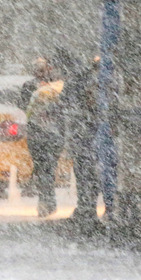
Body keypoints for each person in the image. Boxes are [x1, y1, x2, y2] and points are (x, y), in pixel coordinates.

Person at [63, 56, 104, 233]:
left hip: (83, 137)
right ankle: (88, 209)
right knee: (91, 175)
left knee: (84, 175)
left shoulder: (80, 81)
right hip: (91, 138)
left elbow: (65, 103)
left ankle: (85, 209)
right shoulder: (99, 82)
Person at [25, 56, 66, 217]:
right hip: (45, 134)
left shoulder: (57, 87)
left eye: (44, 68)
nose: (41, 71)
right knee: (45, 169)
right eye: (38, 68)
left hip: (44, 134)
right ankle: (47, 202)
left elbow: (25, 109)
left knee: (45, 169)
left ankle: (46, 202)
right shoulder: (32, 86)